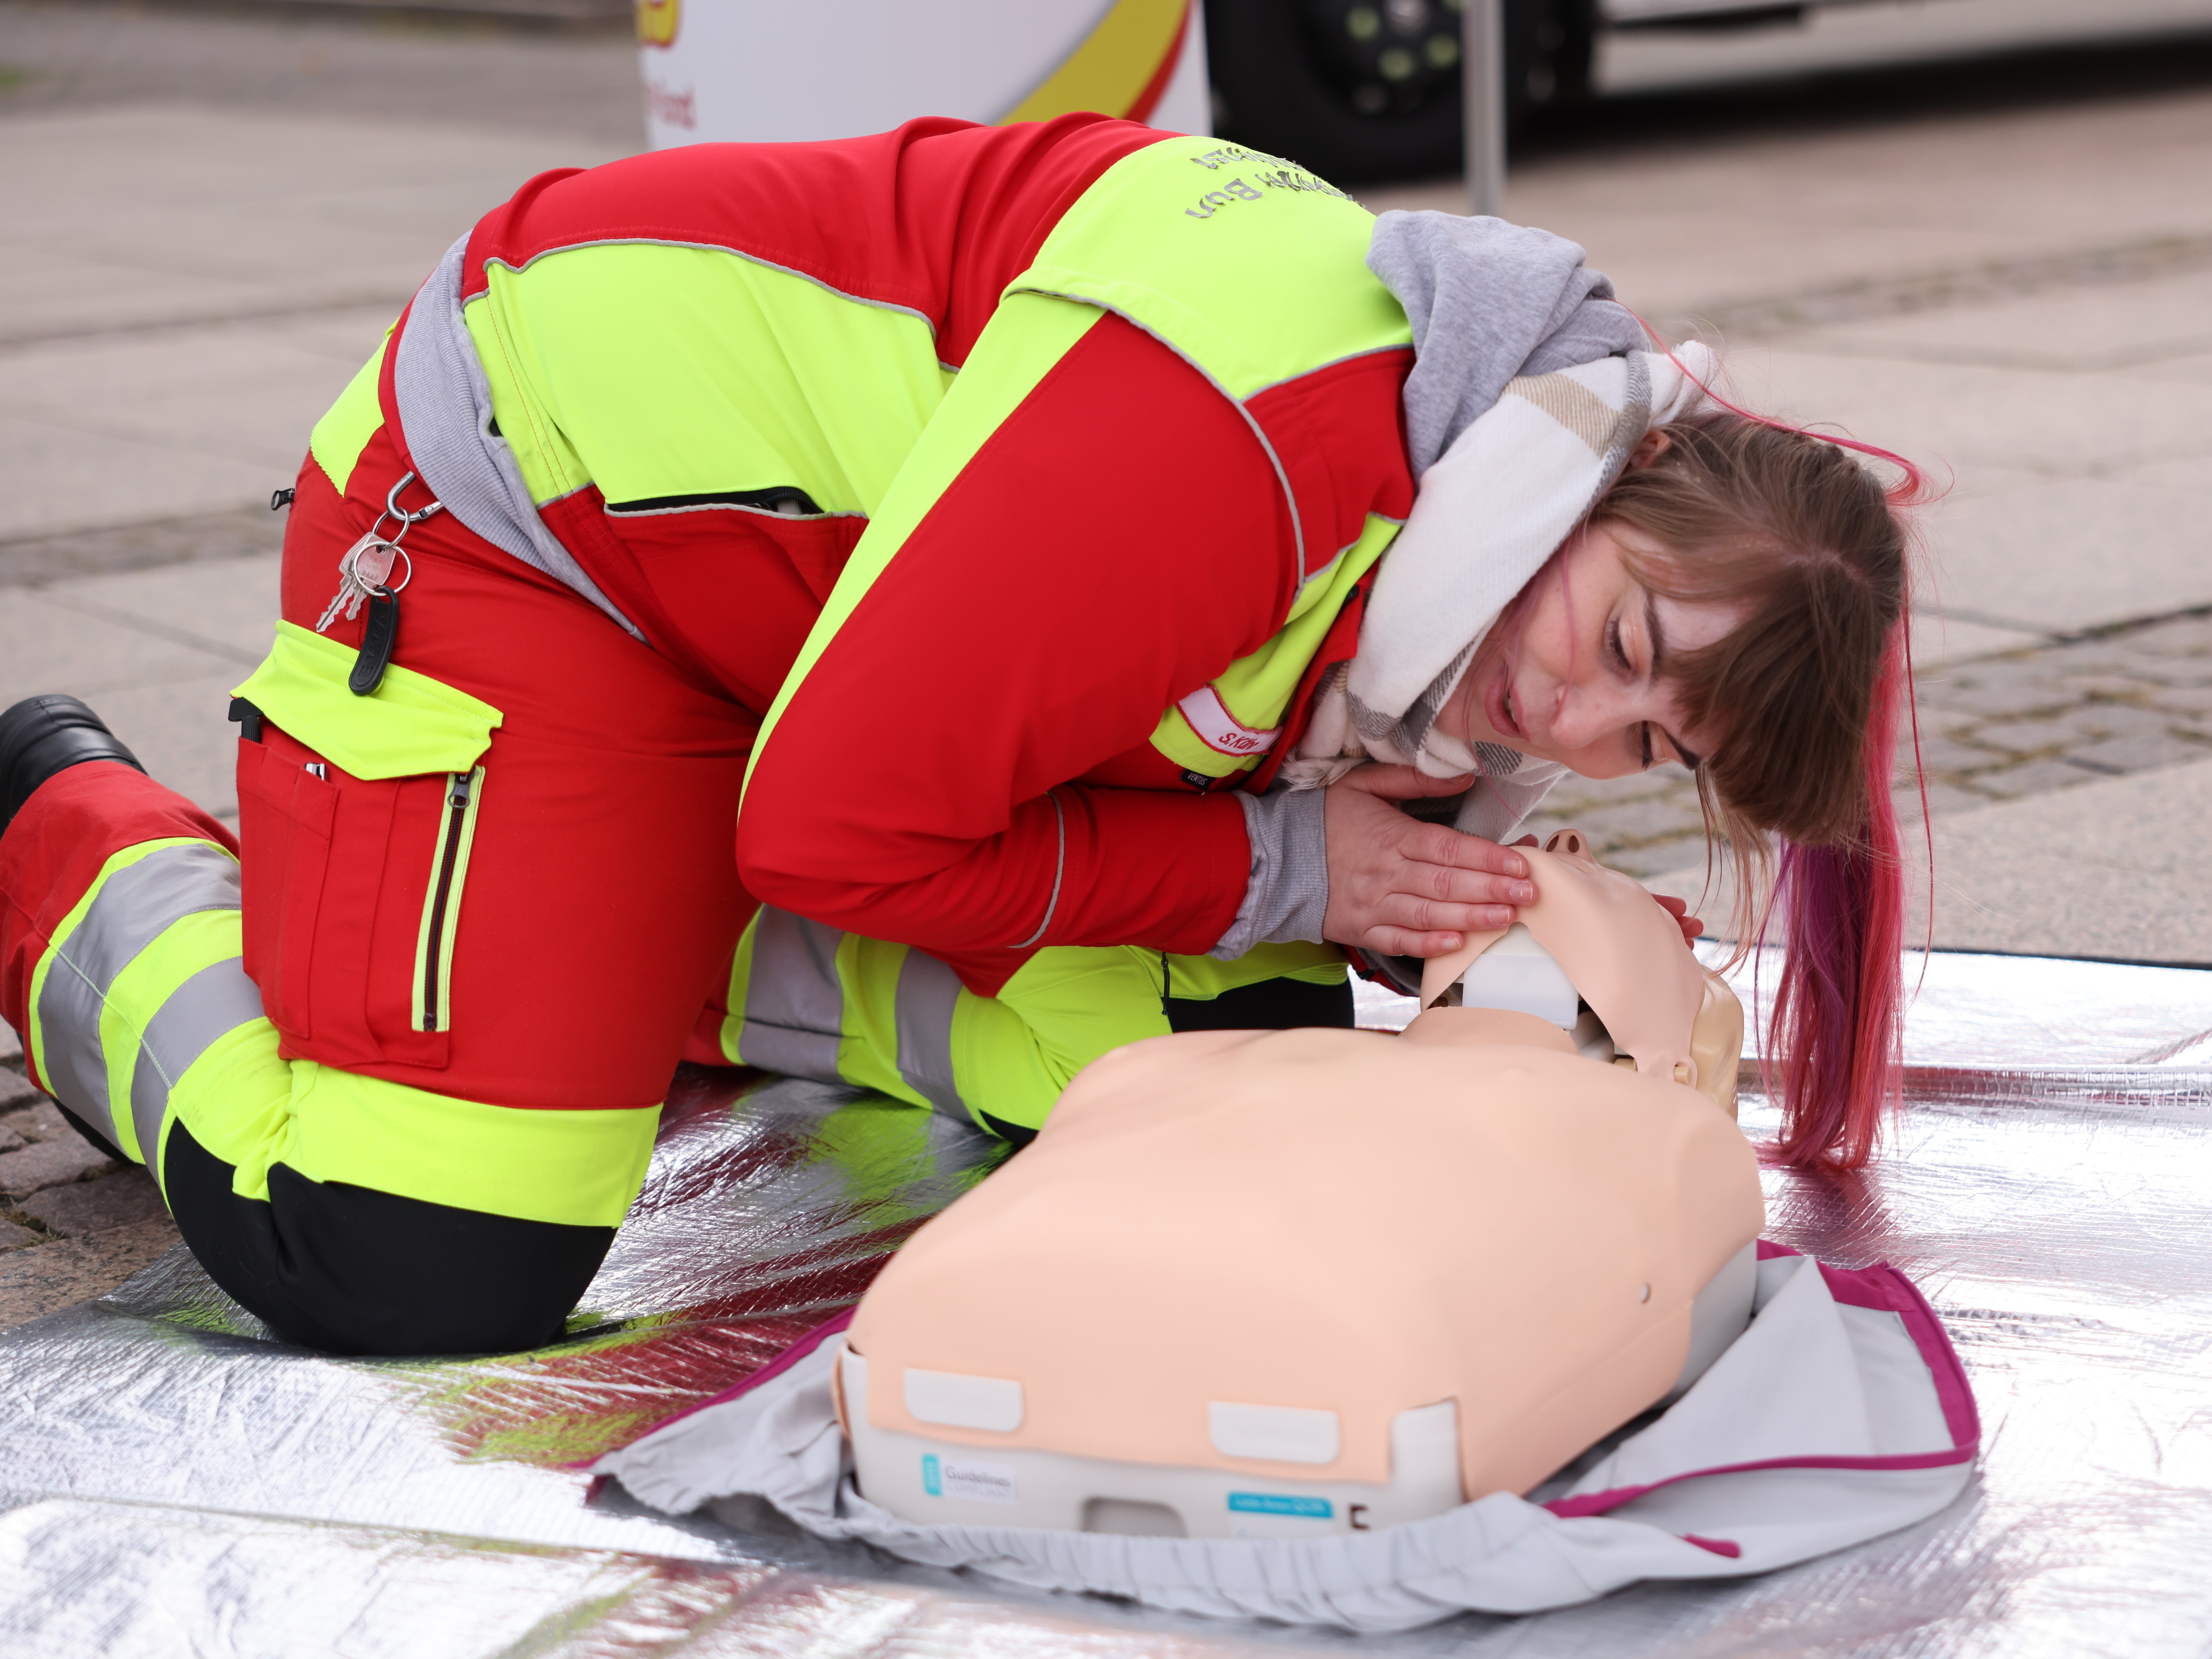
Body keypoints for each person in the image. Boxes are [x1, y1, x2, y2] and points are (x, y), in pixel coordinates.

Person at [0, 115, 1918, 1356]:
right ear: (1607, 480)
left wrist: (1498, 935)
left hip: (797, 653)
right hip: (533, 545)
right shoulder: (1243, 451)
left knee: (1229, 1052)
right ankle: (73, 836)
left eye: (1648, 747)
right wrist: (1293, 863)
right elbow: (833, 831)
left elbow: (1136, 774)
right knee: (417, 1254)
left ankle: (630, 951)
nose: (1571, 719)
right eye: (1626, 640)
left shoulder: (1483, 444)